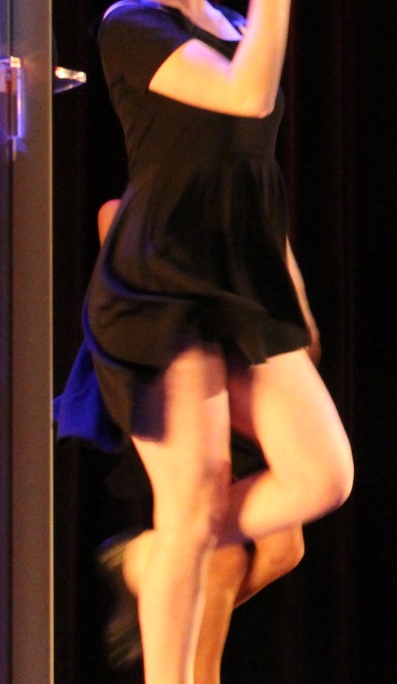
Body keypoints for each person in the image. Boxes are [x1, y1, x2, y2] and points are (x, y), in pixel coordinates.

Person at [81, 0, 353, 684]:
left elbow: (252, 169)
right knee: (191, 495)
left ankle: (151, 552)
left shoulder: (238, 25)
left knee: (324, 474)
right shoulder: (131, 25)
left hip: (243, 282)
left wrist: (292, 289)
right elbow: (247, 94)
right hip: (161, 283)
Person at [82, 200, 310, 683]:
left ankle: (148, 575)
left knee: (283, 551)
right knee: (221, 559)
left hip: (250, 388)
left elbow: (301, 329)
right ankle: (191, 659)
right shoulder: (125, 210)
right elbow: (133, 315)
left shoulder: (251, 208)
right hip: (188, 392)